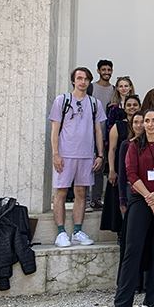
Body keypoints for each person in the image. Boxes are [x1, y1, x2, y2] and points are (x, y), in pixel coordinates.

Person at [101, 109, 154, 307]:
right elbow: (131, 174)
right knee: (132, 250)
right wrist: (150, 198)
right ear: (142, 124)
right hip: (141, 199)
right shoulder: (133, 145)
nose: (150, 124)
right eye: (147, 120)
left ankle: (153, 300)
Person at [48, 67, 106, 248]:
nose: (83, 82)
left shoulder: (95, 103)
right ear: (73, 81)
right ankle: (61, 233)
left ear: (89, 81)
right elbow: (55, 130)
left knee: (82, 193)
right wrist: (55, 153)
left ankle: (77, 231)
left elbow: (98, 131)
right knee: (61, 191)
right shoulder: (62, 101)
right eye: (79, 78)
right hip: (65, 155)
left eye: (86, 79)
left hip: (87, 155)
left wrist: (100, 155)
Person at [88, 59, 114, 210]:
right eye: (103, 70)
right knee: (85, 166)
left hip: (106, 134)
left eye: (109, 70)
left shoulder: (114, 90)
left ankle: (96, 199)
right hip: (89, 133)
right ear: (98, 71)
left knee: (99, 166)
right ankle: (84, 199)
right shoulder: (91, 88)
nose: (106, 72)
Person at [107, 95, 142, 188]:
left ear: (140, 107)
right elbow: (112, 149)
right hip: (121, 165)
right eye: (129, 105)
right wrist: (111, 170)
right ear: (124, 108)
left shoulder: (145, 126)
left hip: (140, 166)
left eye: (135, 105)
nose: (132, 107)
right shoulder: (117, 126)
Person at [115, 111, 145, 216]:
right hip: (130, 189)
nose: (139, 125)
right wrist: (122, 198)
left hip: (149, 188)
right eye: (136, 122)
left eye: (142, 122)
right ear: (131, 125)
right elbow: (122, 172)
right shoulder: (126, 144)